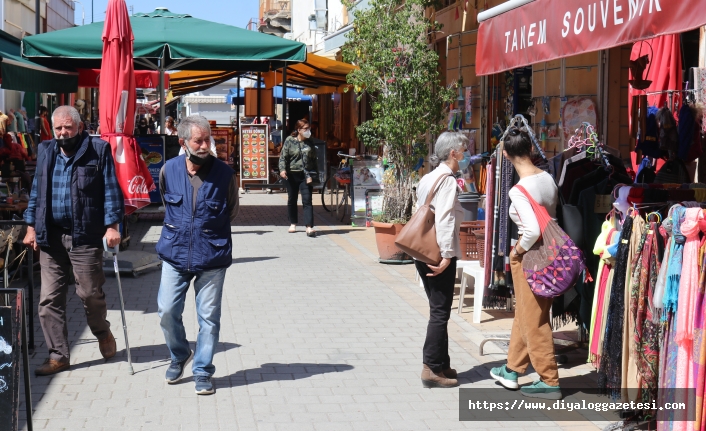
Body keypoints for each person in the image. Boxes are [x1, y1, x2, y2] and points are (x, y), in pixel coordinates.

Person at [23, 105, 124, 376]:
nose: (63, 132)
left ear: (79, 127)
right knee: (49, 300)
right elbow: (36, 192)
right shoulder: (45, 151)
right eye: (58, 128)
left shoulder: (98, 150)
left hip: (85, 235)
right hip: (51, 235)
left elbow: (112, 190)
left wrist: (112, 226)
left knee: (89, 293)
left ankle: (102, 331)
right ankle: (58, 355)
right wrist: (31, 226)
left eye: (68, 127)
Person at [156, 115, 239, 395]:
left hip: (212, 256)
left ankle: (203, 370)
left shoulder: (225, 174)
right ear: (183, 143)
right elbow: (166, 200)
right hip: (175, 253)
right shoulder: (168, 170)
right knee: (167, 311)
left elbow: (231, 211)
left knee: (209, 319)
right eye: (198, 141)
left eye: (208, 140)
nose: (205, 146)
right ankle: (180, 354)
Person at [489, 126, 562, 399]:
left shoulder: (519, 190)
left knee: (536, 320)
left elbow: (531, 230)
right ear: (531, 149)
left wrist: (516, 251)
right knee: (528, 313)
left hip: (531, 254)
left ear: (506, 155)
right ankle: (511, 369)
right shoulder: (547, 178)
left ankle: (550, 380)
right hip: (551, 252)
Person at [415, 132, 470, 389]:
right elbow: (445, 219)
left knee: (440, 308)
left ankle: (442, 363)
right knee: (440, 311)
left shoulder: (429, 176)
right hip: (438, 251)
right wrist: (448, 254)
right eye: (464, 149)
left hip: (422, 250)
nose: (466, 154)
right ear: (453, 153)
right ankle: (431, 368)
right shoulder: (447, 180)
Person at [278, 119, 318, 237]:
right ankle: (293, 223)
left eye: (309, 128)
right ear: (299, 130)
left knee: (307, 199)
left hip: (306, 175)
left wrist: (315, 174)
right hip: (292, 174)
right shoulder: (290, 141)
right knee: (292, 199)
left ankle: (309, 226)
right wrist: (282, 169)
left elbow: (314, 159)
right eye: (305, 129)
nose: (308, 131)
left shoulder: (310, 142)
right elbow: (283, 157)